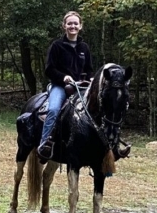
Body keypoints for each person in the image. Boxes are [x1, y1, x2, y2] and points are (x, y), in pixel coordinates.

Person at [37, 11, 131, 163]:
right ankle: (45, 144)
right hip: (60, 86)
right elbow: (49, 69)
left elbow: (88, 69)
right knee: (54, 109)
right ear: (64, 26)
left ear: (80, 26)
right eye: (69, 23)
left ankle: (111, 146)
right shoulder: (56, 46)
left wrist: (90, 79)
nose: (72, 26)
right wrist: (63, 77)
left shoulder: (84, 47)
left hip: (81, 87)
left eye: (75, 23)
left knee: (102, 109)